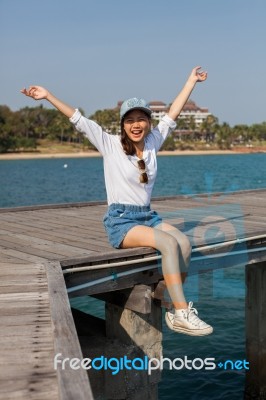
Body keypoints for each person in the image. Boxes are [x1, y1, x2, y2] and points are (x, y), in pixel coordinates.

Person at [21, 66, 213, 336]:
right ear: (123, 124)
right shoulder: (109, 144)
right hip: (121, 221)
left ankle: (171, 306)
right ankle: (182, 313)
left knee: (183, 243)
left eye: (141, 119)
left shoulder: (153, 142)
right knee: (169, 243)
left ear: (148, 122)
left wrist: (191, 81)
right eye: (130, 119)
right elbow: (78, 118)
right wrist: (48, 95)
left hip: (148, 216)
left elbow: (173, 113)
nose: (136, 124)